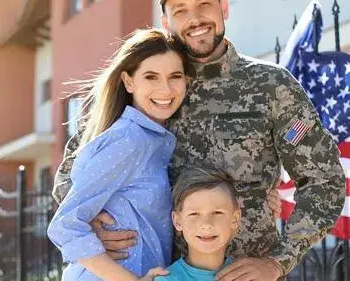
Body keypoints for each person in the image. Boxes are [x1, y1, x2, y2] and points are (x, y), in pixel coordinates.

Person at [52, 0, 346, 280]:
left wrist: (277, 261)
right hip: (166, 274)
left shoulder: (272, 87)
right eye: (180, 9)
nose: (194, 19)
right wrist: (94, 226)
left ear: (224, 8)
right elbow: (72, 174)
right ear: (166, 21)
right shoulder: (151, 90)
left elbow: (325, 181)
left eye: (204, 4)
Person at [47, 28, 187, 281]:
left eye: (175, 76)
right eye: (151, 77)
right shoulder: (129, 140)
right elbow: (65, 225)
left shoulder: (152, 138)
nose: (166, 89)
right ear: (129, 81)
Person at [155, 166, 240, 281]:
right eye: (194, 214)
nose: (206, 224)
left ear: (235, 219)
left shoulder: (245, 275)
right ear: (177, 221)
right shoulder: (168, 279)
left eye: (217, 212)